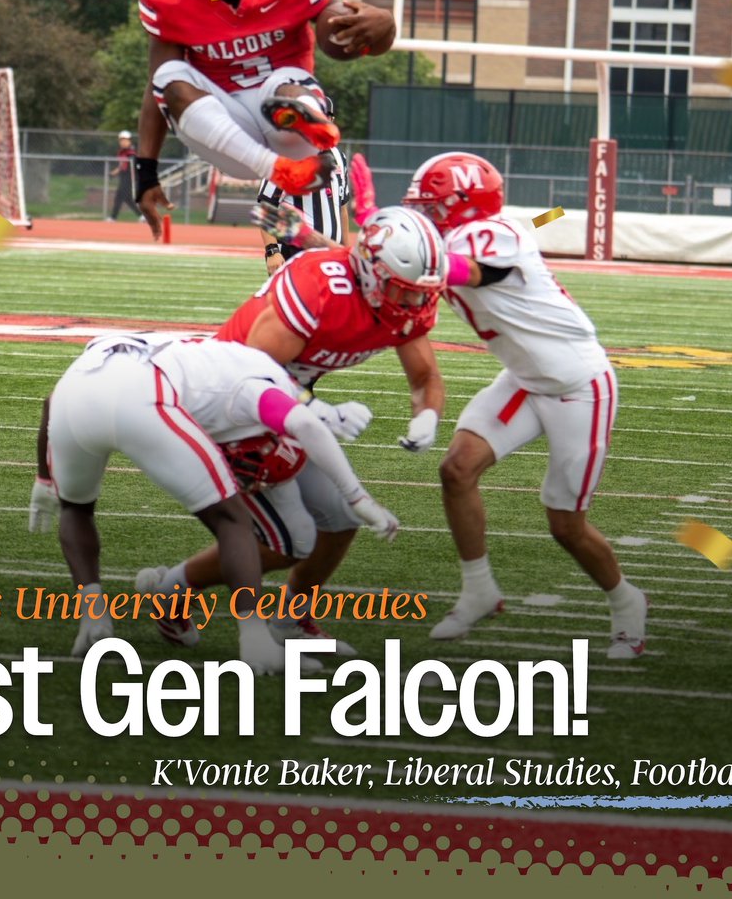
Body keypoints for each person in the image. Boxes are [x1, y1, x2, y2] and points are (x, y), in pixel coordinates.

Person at [134, 207, 448, 652]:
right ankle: (173, 591)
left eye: (422, 293)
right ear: (373, 274)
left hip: (282, 404)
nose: (416, 305)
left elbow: (425, 379)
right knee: (290, 541)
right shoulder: (319, 287)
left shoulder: (398, 304)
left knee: (338, 518)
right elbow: (252, 371)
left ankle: (291, 621)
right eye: (405, 292)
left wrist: (427, 417)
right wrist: (320, 411)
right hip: (228, 406)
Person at [27, 332, 399, 671]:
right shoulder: (256, 383)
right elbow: (305, 425)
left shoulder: (223, 363)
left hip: (74, 390)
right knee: (231, 520)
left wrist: (45, 479)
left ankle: (94, 620)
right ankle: (255, 644)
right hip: (143, 392)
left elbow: (50, 402)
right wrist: (359, 498)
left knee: (75, 509)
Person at [402, 151, 647, 659]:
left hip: (578, 385)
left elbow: (476, 272)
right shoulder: (449, 238)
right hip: (524, 379)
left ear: (466, 205)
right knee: (456, 469)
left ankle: (627, 603)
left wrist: (411, 255)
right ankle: (479, 591)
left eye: (434, 205)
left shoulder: (498, 234)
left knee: (566, 525)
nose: (425, 215)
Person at [132, 0, 395, 237]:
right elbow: (157, 89)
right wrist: (145, 172)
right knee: (167, 75)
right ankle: (279, 167)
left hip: (286, 120)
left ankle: (311, 125)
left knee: (279, 85)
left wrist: (383, 30)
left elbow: (339, 40)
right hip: (225, 130)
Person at [258, 144, 350, 275]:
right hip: (295, 254)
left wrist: (346, 253)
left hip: (331, 257)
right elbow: (267, 205)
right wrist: (272, 251)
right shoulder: (287, 154)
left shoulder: (339, 157)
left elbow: (342, 209)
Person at [105, 131, 141, 222]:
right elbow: (121, 165)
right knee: (127, 198)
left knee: (119, 196)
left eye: (125, 140)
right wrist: (114, 172)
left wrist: (117, 171)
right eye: (121, 140)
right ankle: (141, 215)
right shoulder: (121, 152)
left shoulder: (132, 152)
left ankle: (113, 217)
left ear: (130, 141)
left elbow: (130, 165)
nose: (123, 142)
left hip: (130, 177)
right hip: (123, 175)